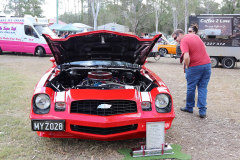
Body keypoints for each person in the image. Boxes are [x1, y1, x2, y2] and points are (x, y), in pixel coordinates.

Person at [172, 29, 211, 118]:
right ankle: (202, 111)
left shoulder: (183, 41)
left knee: (191, 88)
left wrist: (187, 65)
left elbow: (186, 57)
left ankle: (189, 107)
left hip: (195, 67)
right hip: (207, 65)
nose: (176, 40)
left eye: (175, 38)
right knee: (203, 88)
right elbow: (204, 48)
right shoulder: (195, 36)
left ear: (179, 34)